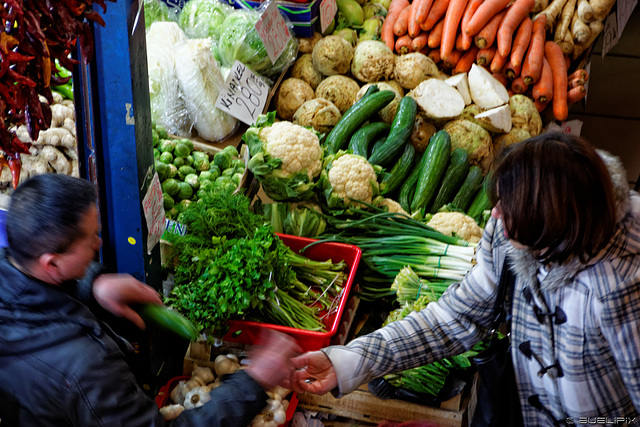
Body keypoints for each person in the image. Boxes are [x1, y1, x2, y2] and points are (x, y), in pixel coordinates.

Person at [287, 132, 640, 426]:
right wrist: (348, 361)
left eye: (508, 210)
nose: (495, 215)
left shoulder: (621, 287)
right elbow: (455, 317)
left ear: (551, 228)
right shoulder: (511, 231)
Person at [0, 173, 299, 426]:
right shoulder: (88, 368)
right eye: (90, 240)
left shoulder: (15, 263)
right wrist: (254, 382)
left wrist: (93, 285)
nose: (98, 243)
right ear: (51, 264)